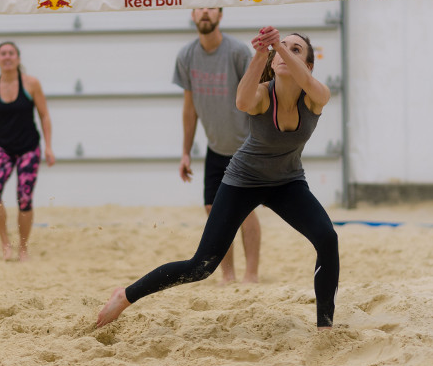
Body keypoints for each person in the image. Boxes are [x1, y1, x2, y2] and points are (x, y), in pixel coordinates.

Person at [98, 26, 339, 330]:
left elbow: (311, 85)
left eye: (295, 49)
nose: (286, 52)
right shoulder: (264, 95)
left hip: (287, 183)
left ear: (308, 65)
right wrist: (262, 52)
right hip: (243, 181)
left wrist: (278, 46)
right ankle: (124, 296)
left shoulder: (316, 96)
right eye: (284, 46)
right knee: (201, 266)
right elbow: (241, 102)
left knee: (327, 238)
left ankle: (325, 326)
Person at [173, 7, 261, 284]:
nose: (205, 13)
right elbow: (190, 108)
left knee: (245, 211)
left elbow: (257, 97)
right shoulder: (186, 56)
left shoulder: (236, 52)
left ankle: (251, 275)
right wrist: (186, 152)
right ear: (192, 14)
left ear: (221, 15)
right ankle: (228, 276)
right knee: (215, 211)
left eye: (211, 7)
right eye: (200, 8)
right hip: (215, 148)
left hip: (245, 147)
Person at [0, 41, 55, 262]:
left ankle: (23, 248)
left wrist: (48, 147)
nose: (7, 57)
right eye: (3, 54)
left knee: (24, 198)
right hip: (3, 147)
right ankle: (5, 243)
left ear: (18, 58)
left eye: (11, 53)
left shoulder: (31, 84)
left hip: (28, 148)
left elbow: (45, 116)